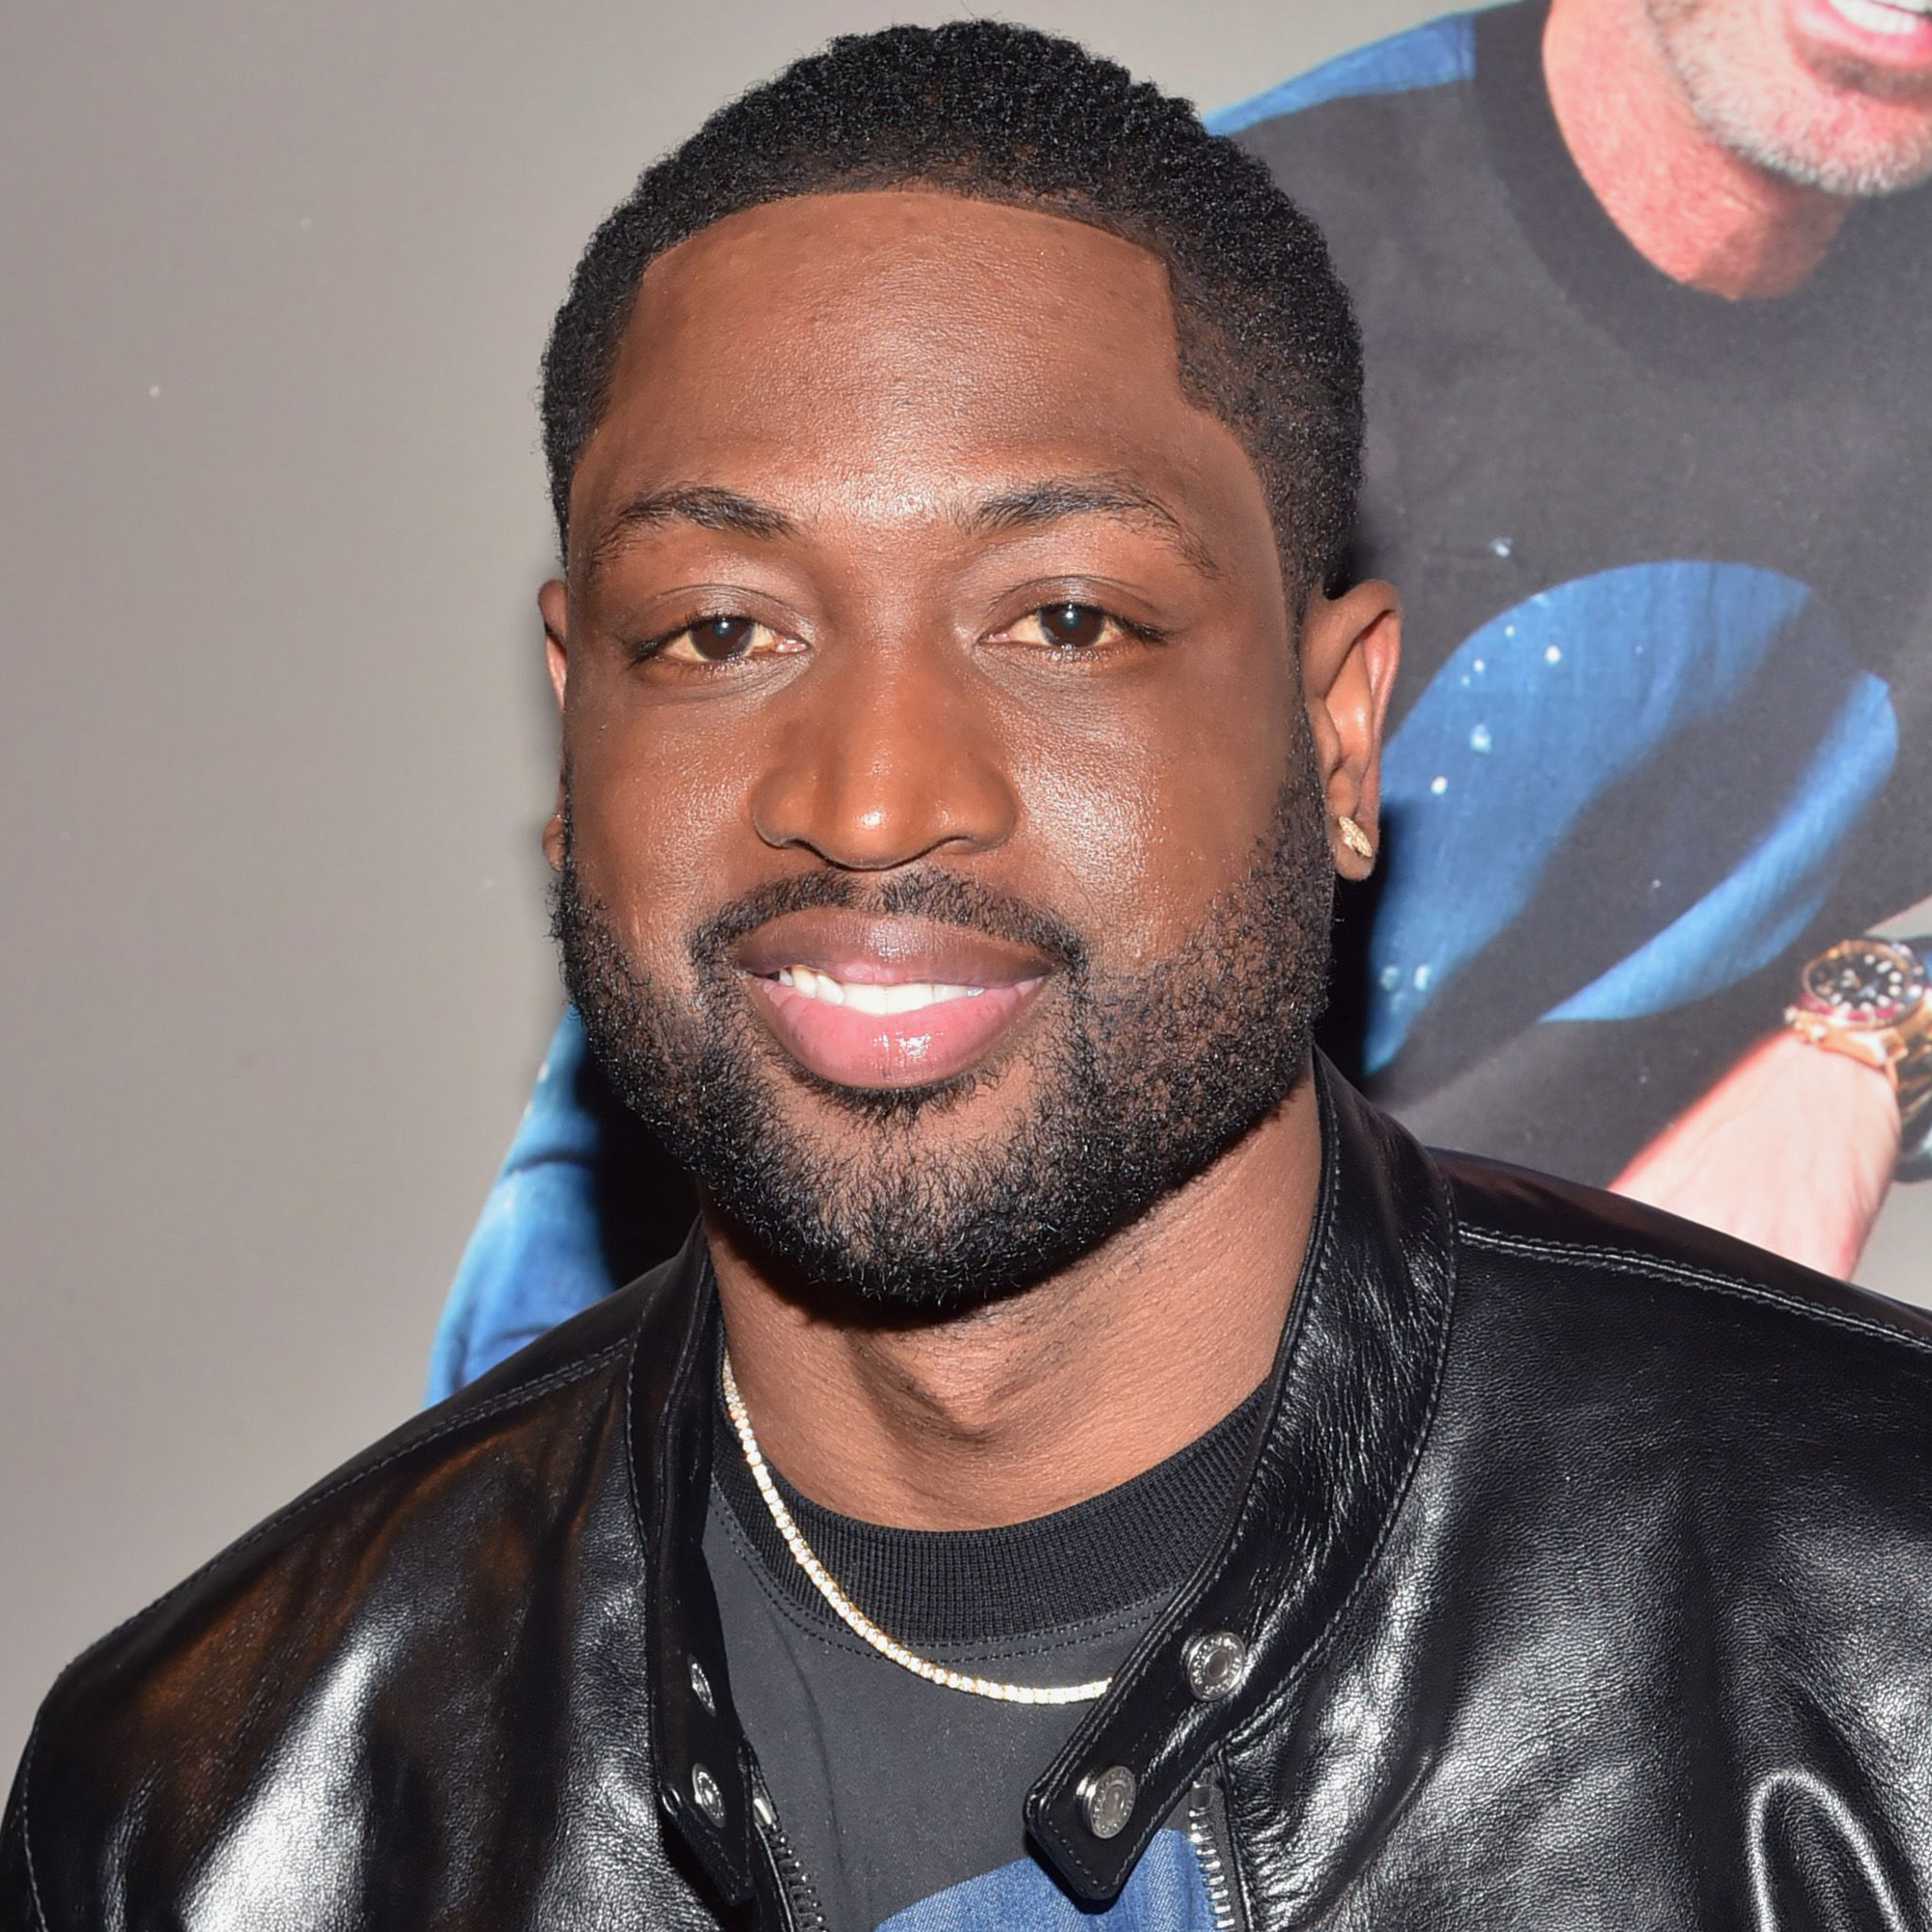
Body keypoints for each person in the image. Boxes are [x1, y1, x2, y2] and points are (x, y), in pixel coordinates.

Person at [11, 23, 1932, 1928]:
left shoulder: (1887, 1643)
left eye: (1067, 618)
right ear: (576, 734)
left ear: (1341, 737)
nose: (871, 801)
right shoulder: (211, 1822)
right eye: (719, 631)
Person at [429, 0, 1932, 1401]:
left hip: (1572, 1481)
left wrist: (1857, 1058)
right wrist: (561, 1518)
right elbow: (711, 1043)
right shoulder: (1167, 303)